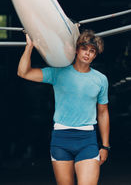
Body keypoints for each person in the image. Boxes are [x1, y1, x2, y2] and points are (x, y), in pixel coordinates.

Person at [17, 29, 110, 185]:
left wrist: (105, 146)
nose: (87, 53)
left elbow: (103, 113)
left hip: (87, 140)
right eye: (84, 48)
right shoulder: (58, 73)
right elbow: (23, 72)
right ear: (76, 49)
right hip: (61, 139)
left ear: (95, 55)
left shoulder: (100, 80)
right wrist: (29, 46)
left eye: (92, 51)